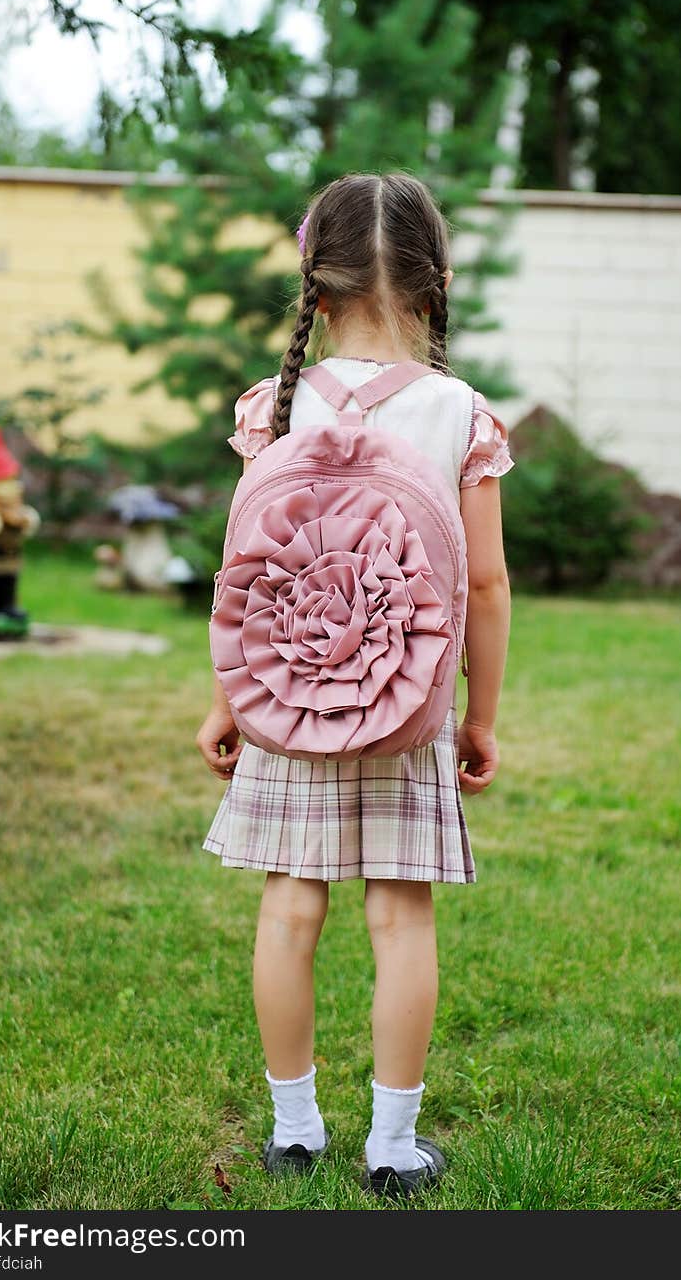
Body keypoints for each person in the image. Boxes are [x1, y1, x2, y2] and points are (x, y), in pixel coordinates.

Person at [196, 172, 514, 1196]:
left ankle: (294, 1132)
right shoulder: (459, 412)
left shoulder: (276, 403)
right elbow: (487, 583)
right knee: (400, 918)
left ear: (313, 284)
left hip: (289, 702)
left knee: (290, 909)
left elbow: (246, 572)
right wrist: (480, 717)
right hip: (409, 707)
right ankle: (390, 1145)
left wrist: (225, 701)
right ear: (435, 282)